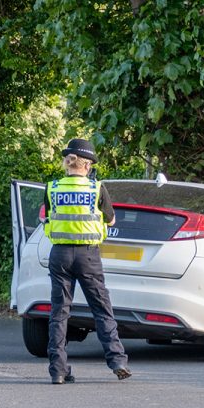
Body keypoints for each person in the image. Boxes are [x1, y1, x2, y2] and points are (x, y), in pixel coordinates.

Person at [43, 138, 131, 385]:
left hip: (59, 255)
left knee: (59, 313)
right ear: (88, 165)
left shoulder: (52, 188)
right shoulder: (96, 188)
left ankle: (58, 370)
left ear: (67, 162)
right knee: (102, 309)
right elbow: (111, 221)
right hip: (88, 255)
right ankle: (117, 361)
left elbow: (48, 216)